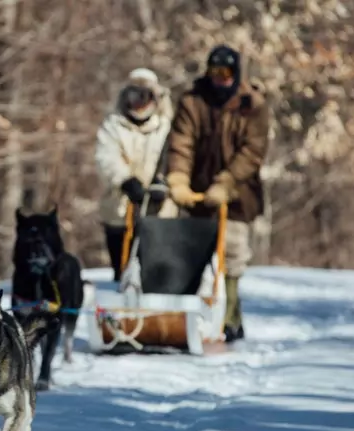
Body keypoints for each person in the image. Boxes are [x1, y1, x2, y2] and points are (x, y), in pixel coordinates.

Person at [166, 45, 270, 342]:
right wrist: (178, 179)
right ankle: (185, 315)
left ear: (236, 75)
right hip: (198, 191)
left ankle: (231, 316)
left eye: (225, 74)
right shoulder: (192, 101)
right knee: (190, 252)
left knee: (233, 253)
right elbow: (181, 142)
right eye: (214, 73)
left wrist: (227, 183)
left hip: (238, 196)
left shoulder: (253, 105)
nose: (219, 80)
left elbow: (253, 151)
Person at [94, 67, 177, 280]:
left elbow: (175, 157)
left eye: (144, 96)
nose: (138, 102)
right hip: (120, 209)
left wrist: (163, 182)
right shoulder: (113, 125)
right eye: (133, 95)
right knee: (123, 271)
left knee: (154, 273)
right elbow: (106, 157)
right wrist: (125, 180)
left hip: (158, 209)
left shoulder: (166, 127)